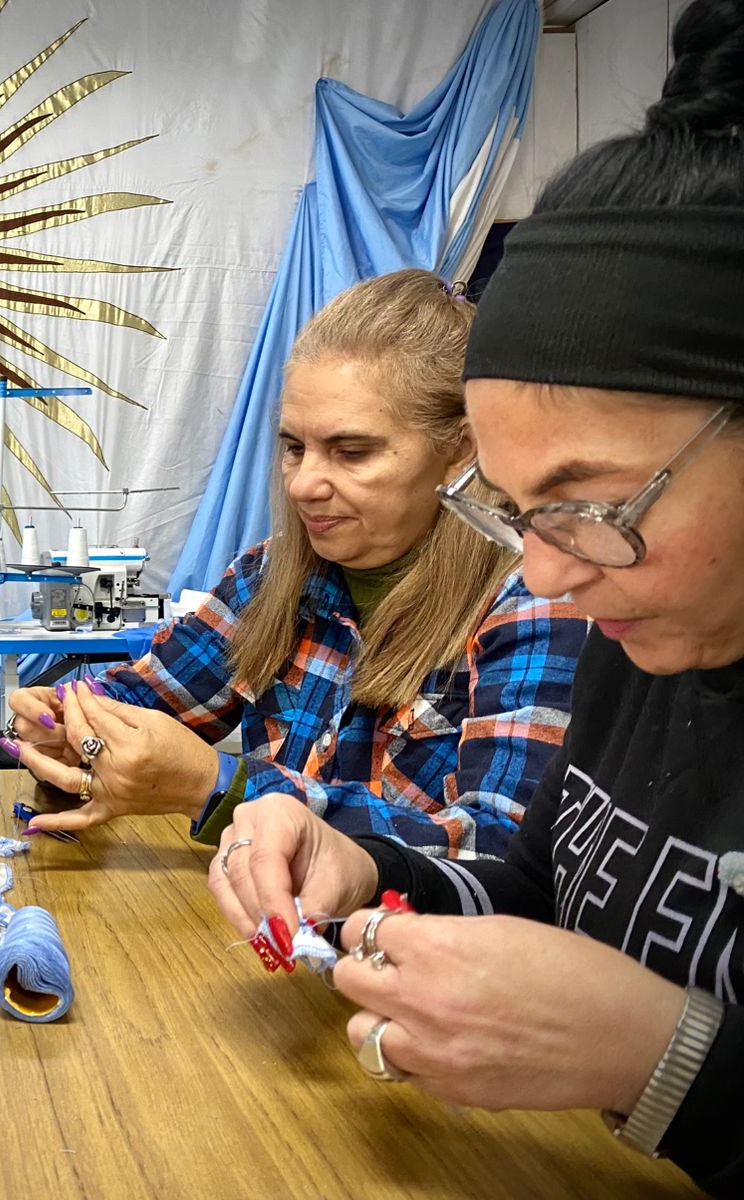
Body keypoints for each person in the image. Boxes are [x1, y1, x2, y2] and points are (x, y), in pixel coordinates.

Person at [206, 2, 744, 1192]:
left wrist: (671, 1062)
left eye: (592, 502)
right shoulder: (635, 637)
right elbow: (543, 884)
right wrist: (356, 859)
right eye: (508, 510)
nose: (541, 572)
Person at [4, 269, 587, 858]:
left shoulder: (534, 602)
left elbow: (498, 853)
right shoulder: (271, 576)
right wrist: (62, 725)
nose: (305, 484)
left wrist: (221, 786)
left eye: (351, 452)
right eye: (294, 448)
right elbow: (143, 700)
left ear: (462, 448)